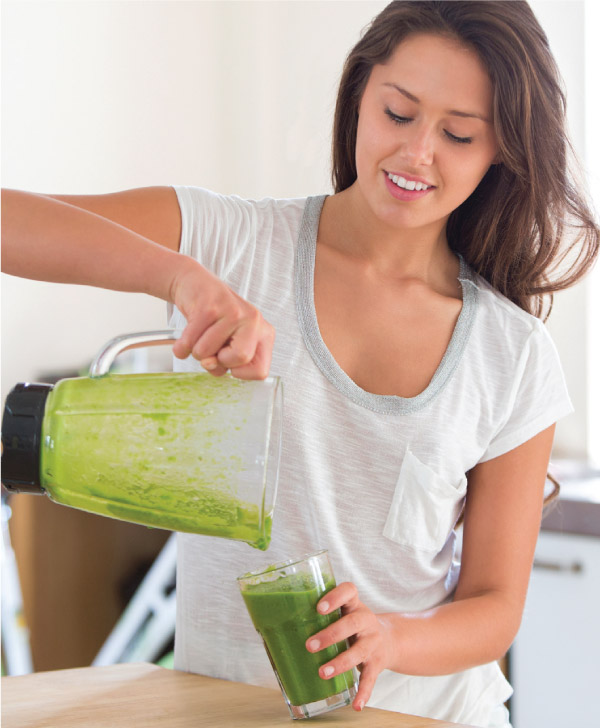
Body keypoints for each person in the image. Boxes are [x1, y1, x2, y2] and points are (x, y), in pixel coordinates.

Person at [2, 1, 598, 726]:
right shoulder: (233, 244)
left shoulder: (512, 355)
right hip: (225, 706)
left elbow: (495, 608)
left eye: (458, 134)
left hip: (423, 715)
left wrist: (390, 636)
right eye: (398, 113)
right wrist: (175, 276)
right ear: (359, 95)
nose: (417, 153)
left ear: (499, 148)